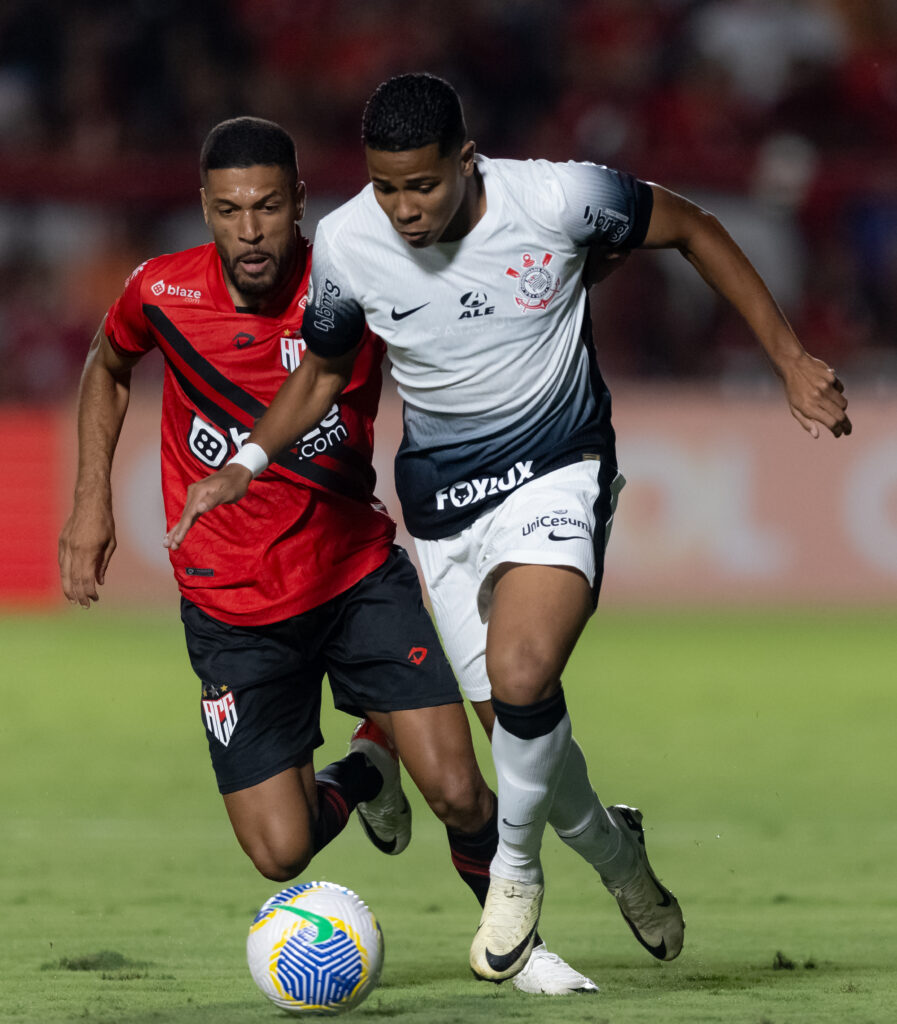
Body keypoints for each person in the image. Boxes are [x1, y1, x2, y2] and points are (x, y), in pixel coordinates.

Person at [165, 77, 852, 984]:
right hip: (446, 513)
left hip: (559, 465)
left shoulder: (557, 197)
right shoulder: (342, 242)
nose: (403, 209)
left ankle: (515, 878)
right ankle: (617, 856)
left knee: (526, 675)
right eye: (384, 187)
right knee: (518, 727)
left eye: (422, 185)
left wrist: (789, 358)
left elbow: (688, 225)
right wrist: (247, 463)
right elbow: (326, 371)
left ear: (465, 159)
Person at [58, 115, 600, 996]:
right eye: (230, 210)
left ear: (301, 204)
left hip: (355, 579)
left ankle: (520, 951)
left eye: (268, 207)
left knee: (463, 793)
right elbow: (107, 362)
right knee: (279, 852)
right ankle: (364, 765)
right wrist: (89, 504)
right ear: (204, 209)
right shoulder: (159, 290)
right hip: (233, 611)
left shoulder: (357, 274)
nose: (250, 229)